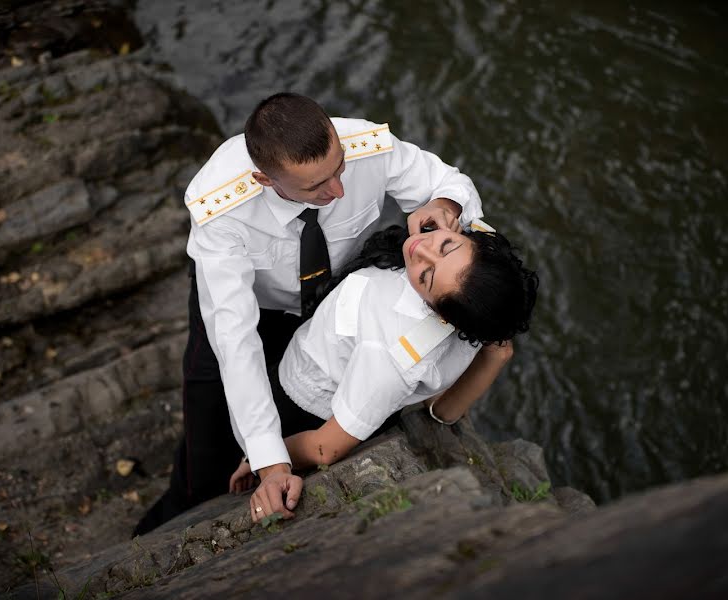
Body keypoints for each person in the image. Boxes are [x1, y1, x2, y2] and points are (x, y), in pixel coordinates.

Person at [133, 93, 484, 536]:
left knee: (304, 408)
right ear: (264, 178)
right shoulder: (219, 209)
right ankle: (163, 527)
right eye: (316, 187)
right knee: (205, 452)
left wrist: (446, 205)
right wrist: (272, 464)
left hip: (325, 310)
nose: (337, 190)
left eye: (339, 170)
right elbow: (236, 342)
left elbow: (448, 182)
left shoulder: (363, 145)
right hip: (246, 312)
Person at [228, 224, 539, 522]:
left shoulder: (390, 359)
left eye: (427, 276)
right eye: (447, 244)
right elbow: (443, 411)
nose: (423, 251)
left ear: (439, 313)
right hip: (326, 358)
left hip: (301, 403)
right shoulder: (474, 298)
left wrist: (262, 457)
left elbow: (324, 448)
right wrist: (499, 351)